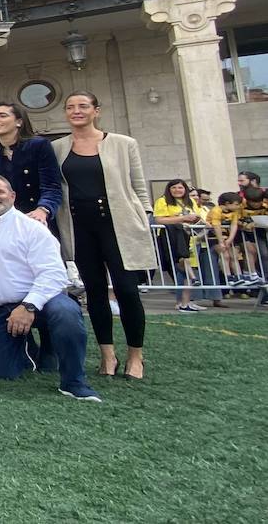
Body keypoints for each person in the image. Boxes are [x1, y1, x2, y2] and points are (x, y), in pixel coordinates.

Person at [0, 175, 101, 402]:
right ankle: (28, 345)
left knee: (65, 312)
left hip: (39, 303)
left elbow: (54, 273)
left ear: (12, 195)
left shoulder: (31, 228)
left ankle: (73, 380)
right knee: (5, 373)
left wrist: (29, 305)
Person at [52, 91, 155, 379]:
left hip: (117, 223)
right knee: (94, 291)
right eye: (70, 107)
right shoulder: (59, 147)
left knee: (126, 289)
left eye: (83, 106)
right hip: (80, 224)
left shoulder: (123, 144)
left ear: (96, 110)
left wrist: (144, 217)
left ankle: (136, 355)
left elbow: (139, 186)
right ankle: (107, 354)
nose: (76, 111)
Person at [0, 102, 61, 232]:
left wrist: (43, 210)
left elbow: (51, 186)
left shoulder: (39, 146)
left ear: (19, 122)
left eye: (2, 115)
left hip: (35, 217)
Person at [154, 179, 210, 312]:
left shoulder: (190, 202)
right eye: (174, 187)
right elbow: (159, 219)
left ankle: (186, 302)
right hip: (170, 237)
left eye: (180, 187)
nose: (177, 190)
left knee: (188, 266)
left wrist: (204, 224)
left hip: (190, 238)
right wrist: (182, 218)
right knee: (182, 265)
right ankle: (183, 300)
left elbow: (196, 218)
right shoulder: (162, 201)